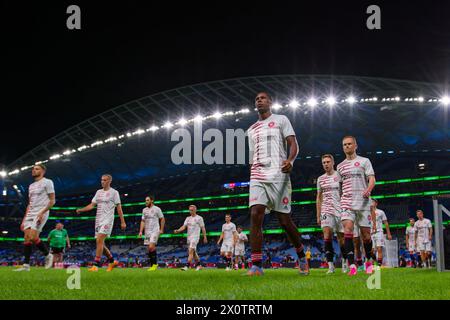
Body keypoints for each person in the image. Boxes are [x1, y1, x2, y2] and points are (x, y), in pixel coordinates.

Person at [246, 92, 308, 276]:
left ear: (270, 102)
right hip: (258, 175)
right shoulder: (251, 129)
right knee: (256, 214)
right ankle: (256, 265)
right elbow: (251, 157)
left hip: (279, 175)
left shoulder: (281, 119)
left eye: (263, 98)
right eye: (256, 98)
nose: (259, 100)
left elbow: (294, 144)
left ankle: (302, 256)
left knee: (284, 221)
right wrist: (252, 172)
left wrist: (290, 161)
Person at [337, 136, 377, 276]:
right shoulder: (340, 166)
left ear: (356, 145)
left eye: (349, 144)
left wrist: (368, 189)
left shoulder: (364, 161)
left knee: (366, 236)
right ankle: (352, 265)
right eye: (344, 144)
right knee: (348, 230)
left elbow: (372, 178)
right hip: (347, 202)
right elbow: (340, 186)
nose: (347, 146)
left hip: (363, 202)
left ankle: (369, 262)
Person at [76, 174, 126, 272]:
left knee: (99, 240)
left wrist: (122, 221)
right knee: (100, 243)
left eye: (105, 180)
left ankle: (96, 265)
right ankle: (112, 261)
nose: (102, 181)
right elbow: (92, 205)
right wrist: (81, 210)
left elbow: (119, 208)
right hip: (98, 220)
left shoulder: (114, 192)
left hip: (108, 220)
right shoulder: (98, 192)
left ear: (109, 181)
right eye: (101, 180)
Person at [14, 164, 55, 272]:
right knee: (26, 238)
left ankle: (48, 255)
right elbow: (30, 204)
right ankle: (26, 265)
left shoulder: (48, 182)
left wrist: (42, 212)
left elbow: (52, 201)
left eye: (36, 169)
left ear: (43, 171)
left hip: (41, 212)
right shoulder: (31, 186)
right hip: (30, 213)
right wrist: (24, 219)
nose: (33, 170)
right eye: (33, 169)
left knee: (32, 237)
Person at [316, 154, 345, 274]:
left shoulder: (339, 175)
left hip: (340, 210)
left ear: (333, 162)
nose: (326, 164)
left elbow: (344, 192)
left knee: (341, 239)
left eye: (328, 162)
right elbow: (319, 198)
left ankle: (344, 263)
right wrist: (318, 214)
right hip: (326, 210)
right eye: (324, 162)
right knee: (327, 236)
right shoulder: (320, 179)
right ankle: (330, 266)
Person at [174, 205, 207, 271]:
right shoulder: (188, 218)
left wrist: (205, 237)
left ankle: (187, 266)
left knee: (191, 251)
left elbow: (203, 228)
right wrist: (178, 230)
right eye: (190, 210)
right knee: (194, 253)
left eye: (192, 210)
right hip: (189, 237)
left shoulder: (199, 218)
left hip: (195, 237)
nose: (190, 211)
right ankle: (199, 265)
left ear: (195, 210)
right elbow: (184, 226)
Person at [138, 195, 165, 271]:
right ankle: (153, 265)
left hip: (155, 230)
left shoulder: (157, 209)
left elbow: (162, 219)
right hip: (147, 232)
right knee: (150, 249)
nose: (146, 202)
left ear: (152, 200)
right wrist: (140, 231)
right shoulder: (144, 210)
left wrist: (161, 229)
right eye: (145, 200)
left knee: (151, 247)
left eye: (147, 200)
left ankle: (154, 265)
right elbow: (142, 221)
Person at [371, 199, 392, 267]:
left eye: (373, 202)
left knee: (379, 248)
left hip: (379, 231)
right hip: (370, 233)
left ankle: (379, 265)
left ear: (376, 203)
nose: (371, 203)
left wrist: (388, 234)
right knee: (371, 250)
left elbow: (385, 223)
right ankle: (374, 262)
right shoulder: (367, 212)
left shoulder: (380, 212)